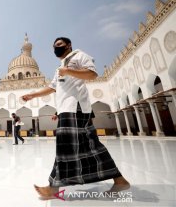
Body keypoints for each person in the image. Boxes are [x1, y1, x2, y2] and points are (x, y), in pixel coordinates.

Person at [21, 37, 130, 199]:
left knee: (65, 146)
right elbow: (52, 87)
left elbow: (92, 74)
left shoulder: (79, 56)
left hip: (77, 108)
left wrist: (69, 71)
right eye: (54, 46)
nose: (56, 48)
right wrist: (32, 95)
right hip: (67, 109)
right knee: (89, 145)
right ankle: (120, 180)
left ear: (68, 45)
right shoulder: (61, 67)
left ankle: (54, 188)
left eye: (59, 45)